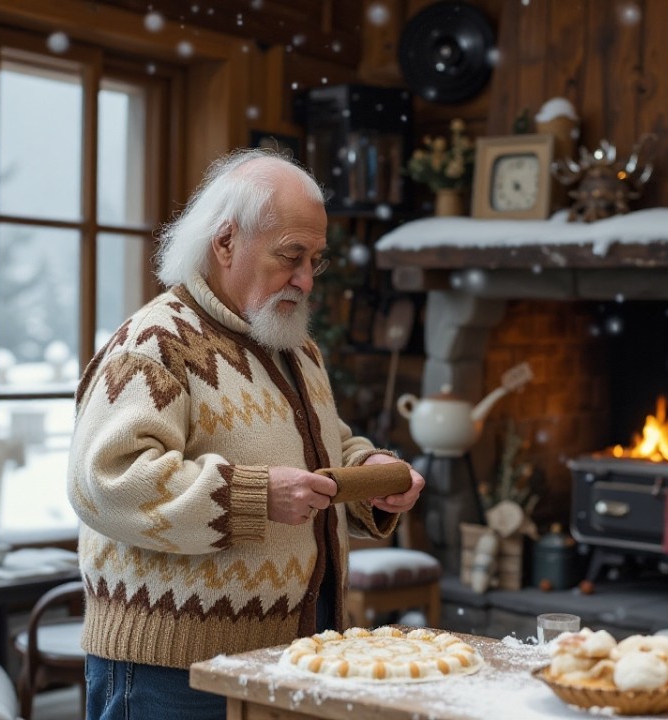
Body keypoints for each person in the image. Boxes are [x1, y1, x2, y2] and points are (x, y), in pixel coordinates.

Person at [67, 148, 425, 719]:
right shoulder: (153, 342)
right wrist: (253, 496)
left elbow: (326, 443)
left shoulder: (293, 345)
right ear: (226, 242)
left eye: (316, 260)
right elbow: (107, 483)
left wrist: (375, 472)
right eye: (291, 256)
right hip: (173, 675)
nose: (306, 280)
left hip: (286, 658)